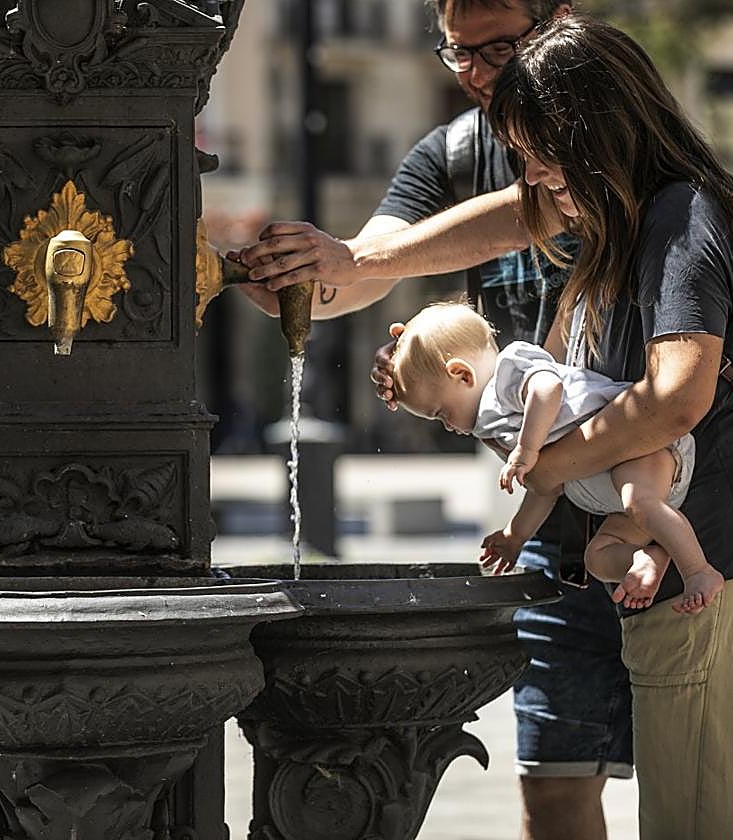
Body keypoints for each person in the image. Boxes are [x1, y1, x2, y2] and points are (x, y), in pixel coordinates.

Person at [234, 3, 637, 838]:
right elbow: (374, 261)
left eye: (503, 47)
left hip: (660, 499)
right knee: (555, 788)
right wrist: (306, 279)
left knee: (713, 786)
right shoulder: (452, 151)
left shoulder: (610, 130)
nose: (482, 71)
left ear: (558, 21)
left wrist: (361, 261)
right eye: (460, 52)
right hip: (553, 534)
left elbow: (527, 213)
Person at [478, 16, 733, 837]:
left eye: (542, 148)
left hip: (728, 579)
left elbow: (676, 396)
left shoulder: (676, 221)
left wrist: (549, 468)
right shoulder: (665, 219)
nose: (535, 174)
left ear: (599, 130)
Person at [389, 301, 722, 613]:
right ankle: (645, 558)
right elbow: (547, 486)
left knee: (641, 502)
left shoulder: (508, 370)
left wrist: (527, 449)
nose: (447, 426)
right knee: (598, 557)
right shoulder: (495, 423)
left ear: (463, 375)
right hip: (612, 483)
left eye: (441, 412)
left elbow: (548, 389)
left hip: (639, 449)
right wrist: (515, 534)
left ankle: (698, 571)